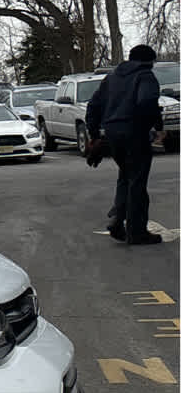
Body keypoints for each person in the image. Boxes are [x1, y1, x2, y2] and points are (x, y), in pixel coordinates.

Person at [86, 43, 164, 245]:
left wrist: (94, 135)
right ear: (149, 61)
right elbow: (147, 101)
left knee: (126, 176)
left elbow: (93, 105)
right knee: (137, 182)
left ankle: (117, 219)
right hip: (135, 133)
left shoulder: (111, 77)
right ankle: (137, 232)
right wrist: (154, 125)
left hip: (112, 134)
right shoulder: (145, 75)